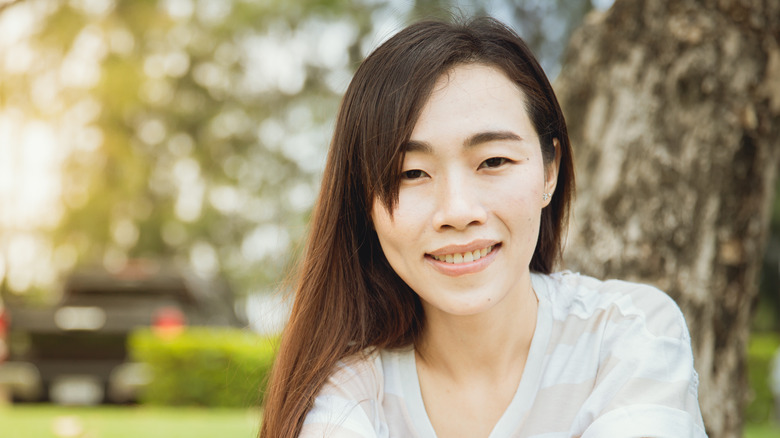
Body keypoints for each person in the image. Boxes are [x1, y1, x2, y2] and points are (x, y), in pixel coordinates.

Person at [259, 16, 707, 438]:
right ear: (364, 201)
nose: (457, 210)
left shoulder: (628, 333)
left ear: (549, 171)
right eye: (411, 173)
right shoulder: (348, 386)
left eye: (494, 161)